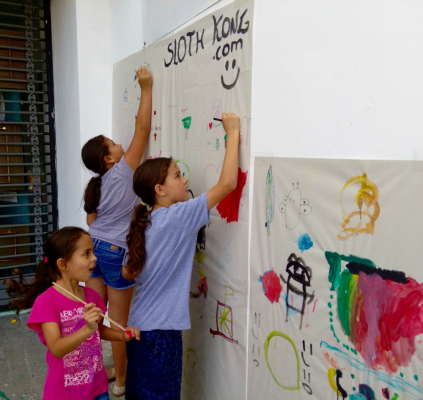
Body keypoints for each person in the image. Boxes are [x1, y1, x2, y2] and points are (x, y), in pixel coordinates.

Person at [123, 112, 240, 399]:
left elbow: (128, 272)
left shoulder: (145, 220)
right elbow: (227, 184)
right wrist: (233, 133)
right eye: (177, 175)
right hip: (160, 336)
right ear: (160, 190)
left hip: (138, 328)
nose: (184, 178)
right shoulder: (178, 216)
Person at [81, 65, 152, 396]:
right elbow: (142, 127)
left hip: (93, 252)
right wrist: (147, 86)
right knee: (118, 326)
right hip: (112, 253)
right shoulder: (124, 172)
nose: (117, 141)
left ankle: (98, 374)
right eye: (111, 143)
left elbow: (92, 223)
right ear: (108, 159)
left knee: (95, 318)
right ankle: (121, 385)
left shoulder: (95, 186)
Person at [4, 227, 140, 400]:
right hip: (65, 393)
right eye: (86, 254)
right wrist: (86, 329)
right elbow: (56, 348)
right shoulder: (47, 302)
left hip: (96, 386)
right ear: (63, 264)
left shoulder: (91, 295)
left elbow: (97, 331)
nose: (94, 258)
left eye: (93, 252)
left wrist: (122, 335)